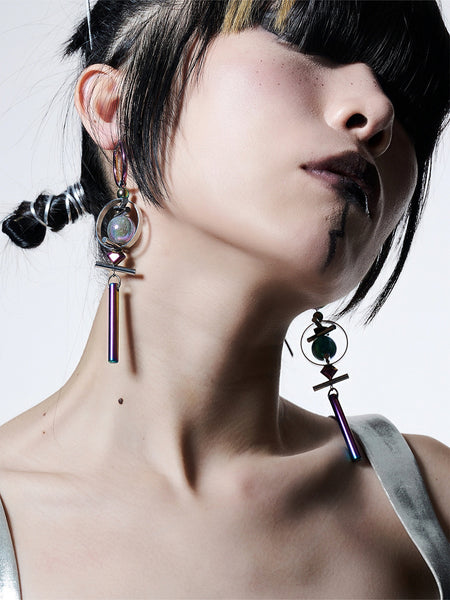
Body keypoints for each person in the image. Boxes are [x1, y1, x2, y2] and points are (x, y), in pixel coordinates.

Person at [1, 0, 449, 598]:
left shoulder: (429, 505)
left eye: (410, 104)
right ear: (116, 108)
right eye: (308, 44)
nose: (380, 110)